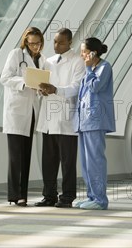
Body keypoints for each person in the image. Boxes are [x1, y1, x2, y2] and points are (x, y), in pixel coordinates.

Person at [34, 28, 85, 208]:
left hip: (66, 119)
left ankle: (67, 196)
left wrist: (55, 89)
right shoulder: (48, 62)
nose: (56, 45)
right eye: (55, 41)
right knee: (48, 160)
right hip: (48, 118)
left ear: (70, 42)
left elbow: (76, 87)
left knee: (67, 162)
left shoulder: (78, 62)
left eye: (61, 42)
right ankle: (49, 196)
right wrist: (41, 90)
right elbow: (41, 84)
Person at [0, 26, 45, 207]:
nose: (35, 47)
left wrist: (41, 88)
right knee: (15, 156)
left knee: (26, 155)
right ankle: (15, 194)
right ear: (26, 41)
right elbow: (5, 78)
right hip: (16, 112)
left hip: (32, 112)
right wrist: (25, 83)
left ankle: (23, 195)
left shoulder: (41, 59)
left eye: (38, 44)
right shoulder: (16, 55)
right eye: (32, 43)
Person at [74, 37, 116, 210]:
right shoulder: (90, 69)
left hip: (95, 120)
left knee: (95, 160)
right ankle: (91, 196)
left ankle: (100, 200)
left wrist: (89, 68)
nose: (82, 55)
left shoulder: (104, 67)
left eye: (84, 51)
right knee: (86, 162)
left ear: (93, 52)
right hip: (84, 122)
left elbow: (96, 87)